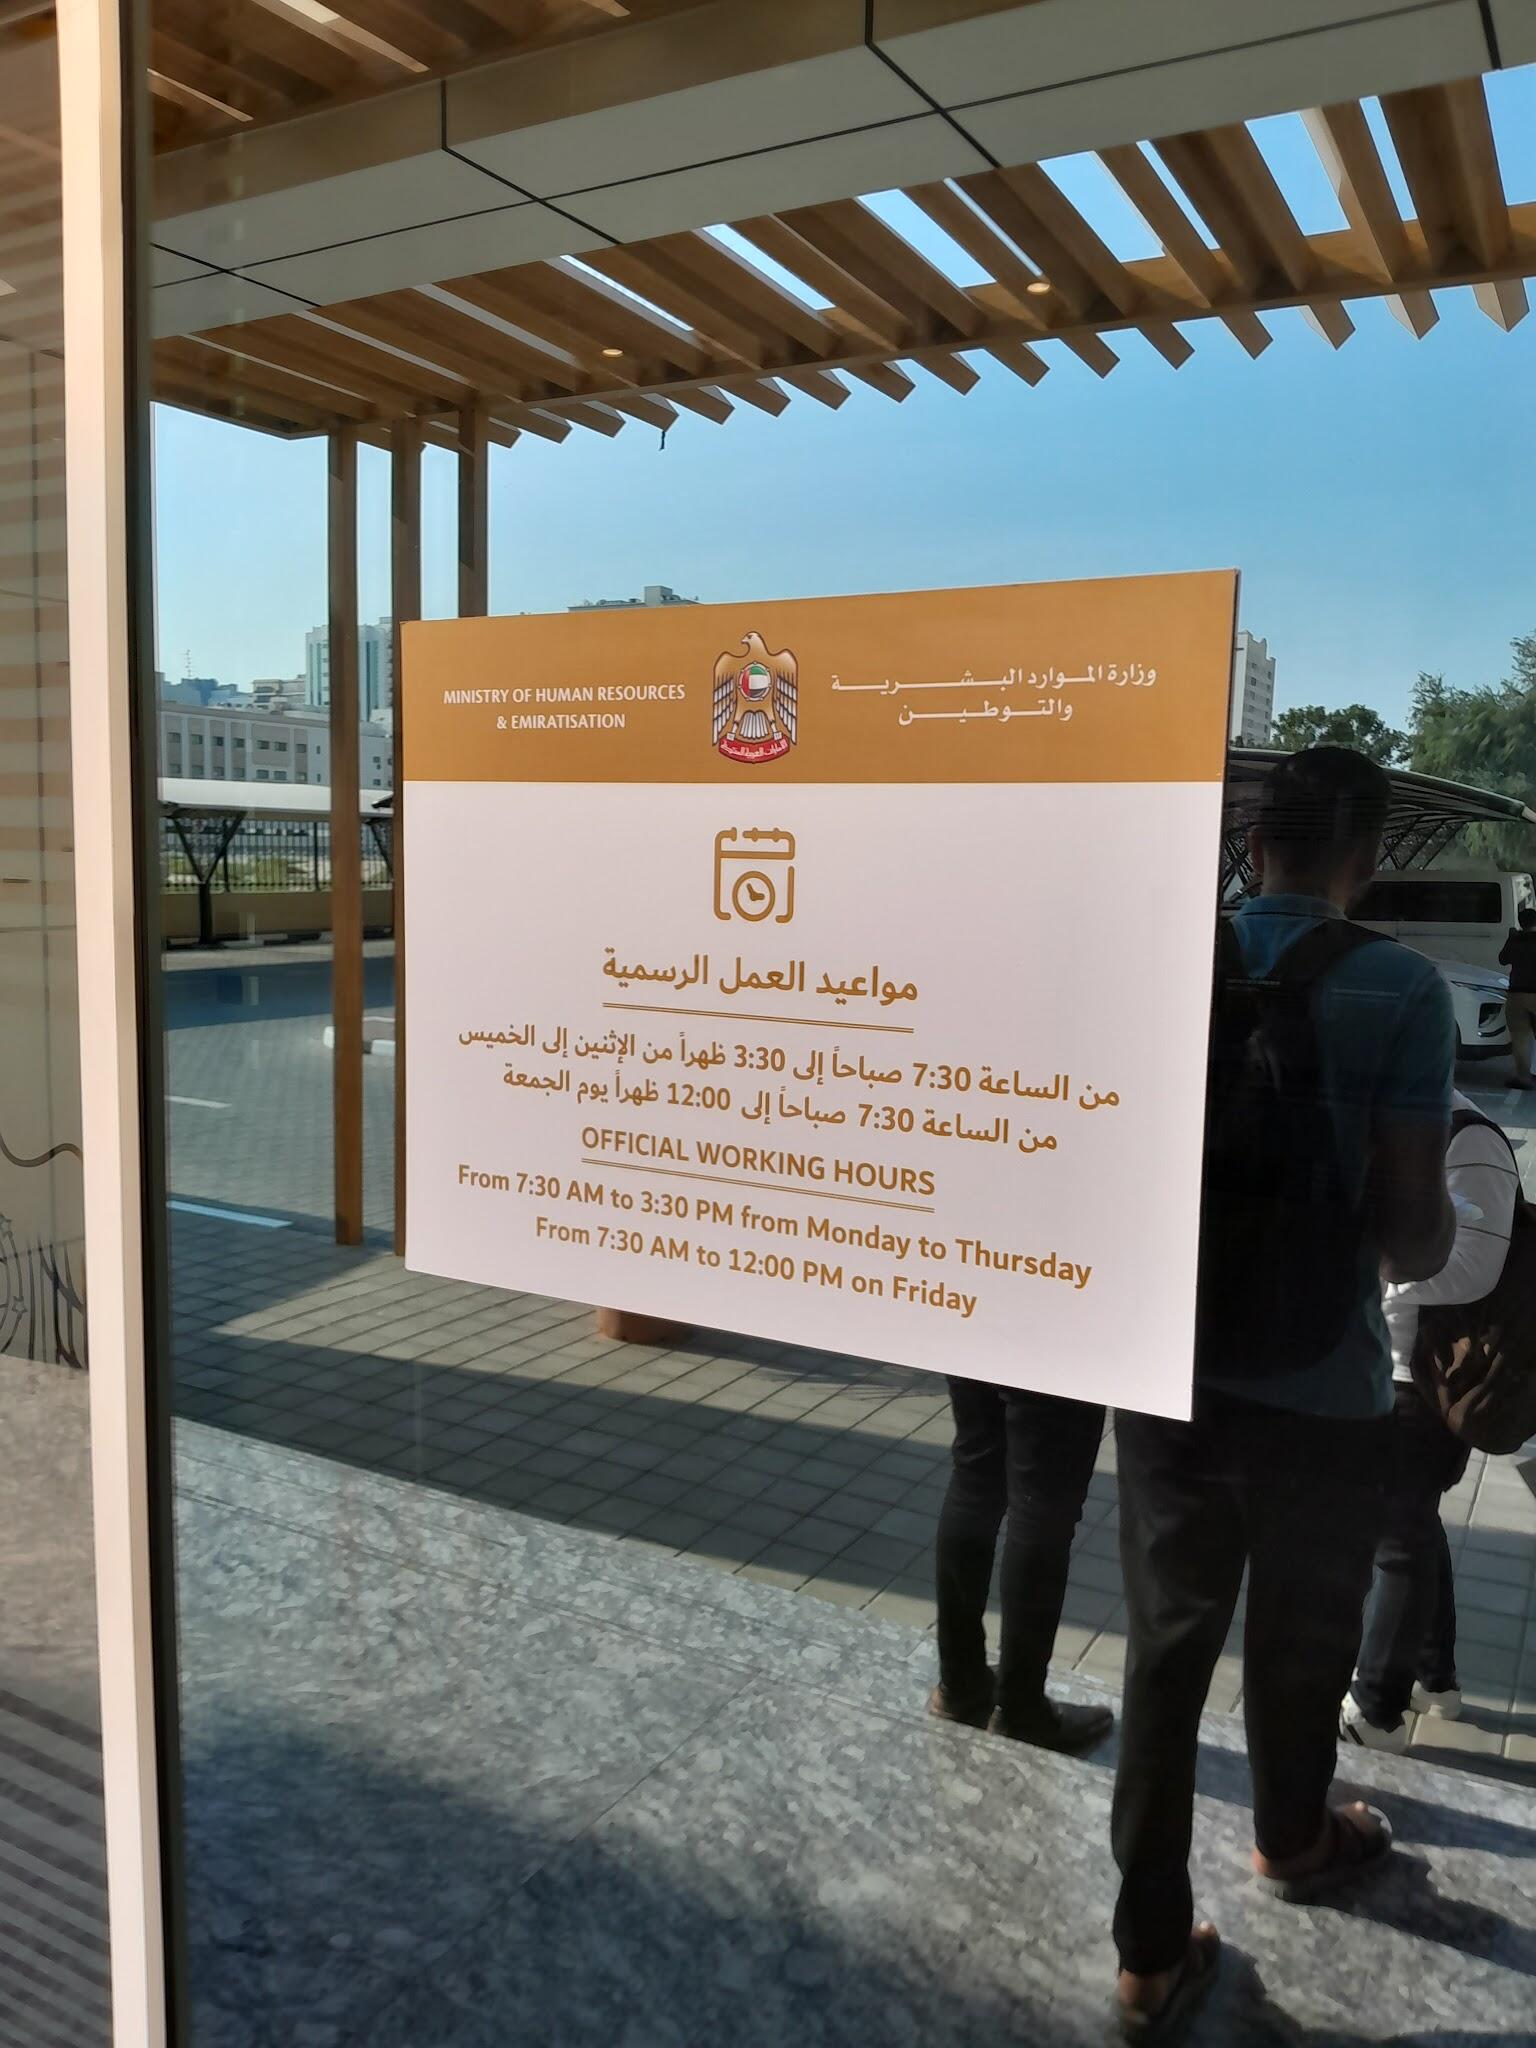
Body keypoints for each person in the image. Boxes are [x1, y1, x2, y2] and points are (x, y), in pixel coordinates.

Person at [1111, 747, 1456, 2041]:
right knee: (1304, 1642)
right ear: (1363, 857)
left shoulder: (1162, 959)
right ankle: (1294, 1836)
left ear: (1251, 845)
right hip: (1326, 1390)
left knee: (1165, 1649)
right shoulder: (1401, 988)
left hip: (1164, 1368)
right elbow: (1415, 1234)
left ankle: (1149, 1957)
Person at [1341, 1091, 1518, 1750]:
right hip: (1367, 1365)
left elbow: (1477, 1267)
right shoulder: (1373, 1114)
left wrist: (1362, 1270)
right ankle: (1433, 1677)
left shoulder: (1471, 1137)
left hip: (1418, 1378)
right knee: (1412, 1526)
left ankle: (1375, 1710)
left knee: (1396, 1537)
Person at [928, 1380, 1113, 1752]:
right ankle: (1020, 1708)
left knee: (975, 1473)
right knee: (1042, 1505)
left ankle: (959, 1682)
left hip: (979, 1342)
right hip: (1057, 1353)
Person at [1498, 905, 1536, 1089]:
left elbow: (1502, 959)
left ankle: (1524, 1077)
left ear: (1521, 923)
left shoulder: (1516, 940)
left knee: (1520, 1038)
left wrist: (1510, 938)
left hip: (1518, 993)